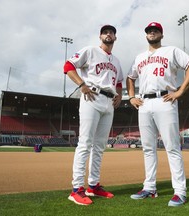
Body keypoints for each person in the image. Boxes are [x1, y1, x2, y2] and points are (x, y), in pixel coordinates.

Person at [126, 22, 189, 207]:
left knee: (172, 147)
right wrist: (131, 96)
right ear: (146, 35)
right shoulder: (140, 57)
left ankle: (180, 191)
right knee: (148, 148)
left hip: (165, 100)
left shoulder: (171, 51)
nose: (152, 32)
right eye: (149, 31)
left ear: (161, 34)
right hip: (144, 102)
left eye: (155, 30)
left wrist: (181, 90)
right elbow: (130, 77)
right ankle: (149, 187)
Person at [63, 25, 124, 205]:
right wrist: (81, 84)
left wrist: (119, 96)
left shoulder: (117, 61)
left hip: (109, 102)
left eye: (111, 32)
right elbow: (68, 66)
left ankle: (93, 186)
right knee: (85, 143)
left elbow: (119, 81)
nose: (108, 34)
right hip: (92, 96)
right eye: (105, 32)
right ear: (100, 36)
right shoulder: (90, 51)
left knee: (99, 146)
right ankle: (76, 189)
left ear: (115, 38)